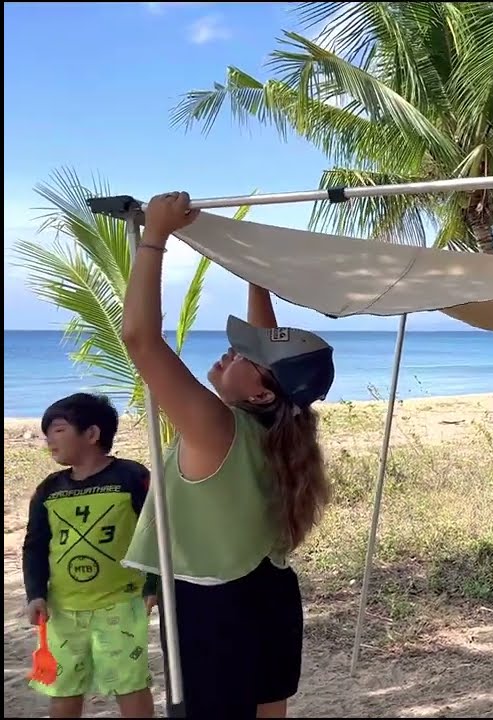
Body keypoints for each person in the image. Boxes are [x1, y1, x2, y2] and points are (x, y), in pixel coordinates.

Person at [119, 191, 336, 718]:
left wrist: (155, 238)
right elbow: (265, 340)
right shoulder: (286, 431)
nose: (231, 350)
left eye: (244, 356)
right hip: (269, 594)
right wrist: (252, 267)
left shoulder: (217, 427)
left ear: (262, 393)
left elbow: (140, 340)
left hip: (215, 609)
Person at [22, 392, 158, 718]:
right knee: (64, 686)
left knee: (130, 683)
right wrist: (36, 593)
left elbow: (156, 534)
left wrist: (153, 586)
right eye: (46, 433)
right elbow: (35, 545)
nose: (49, 440)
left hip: (122, 603)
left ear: (92, 434)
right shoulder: (48, 489)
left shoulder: (131, 477)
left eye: (57, 429)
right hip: (64, 609)